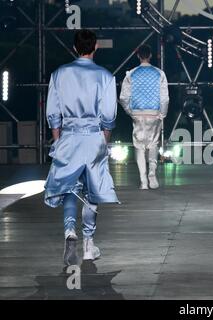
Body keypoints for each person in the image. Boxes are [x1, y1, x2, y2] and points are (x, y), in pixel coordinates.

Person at [44, 29, 119, 266]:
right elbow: (108, 116)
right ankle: (88, 243)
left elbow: (53, 113)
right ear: (95, 47)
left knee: (69, 187)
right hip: (93, 137)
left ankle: (69, 230)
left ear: (74, 48)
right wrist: (103, 140)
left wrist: (58, 140)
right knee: (93, 190)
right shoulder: (105, 76)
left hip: (68, 137)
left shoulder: (59, 74)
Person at [119, 45, 169, 190]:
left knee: (139, 146)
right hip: (154, 113)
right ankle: (152, 174)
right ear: (151, 55)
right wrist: (163, 114)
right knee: (153, 144)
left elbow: (123, 98)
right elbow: (164, 98)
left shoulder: (131, 74)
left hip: (137, 113)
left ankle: (143, 181)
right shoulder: (159, 73)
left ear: (138, 56)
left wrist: (129, 111)